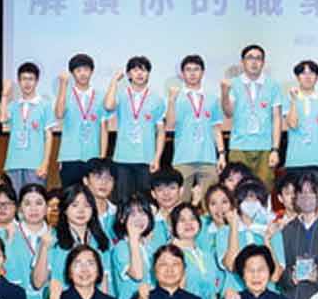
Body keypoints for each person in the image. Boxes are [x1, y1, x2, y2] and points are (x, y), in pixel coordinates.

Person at [105, 55, 166, 204]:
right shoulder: (121, 96)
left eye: (144, 70)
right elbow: (108, 105)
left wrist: (157, 158)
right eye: (135, 70)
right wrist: (114, 81)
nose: (139, 74)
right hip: (123, 159)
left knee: (146, 202)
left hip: (146, 159)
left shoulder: (157, 100)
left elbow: (161, 132)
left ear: (148, 74)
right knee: (122, 201)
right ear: (129, 74)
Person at [222, 44, 282, 185]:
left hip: (265, 147)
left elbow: (277, 118)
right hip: (239, 146)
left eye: (258, 58)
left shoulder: (273, 85)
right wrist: (224, 93)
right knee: (237, 187)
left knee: (264, 186)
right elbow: (228, 113)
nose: (254, 62)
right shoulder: (234, 84)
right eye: (250, 58)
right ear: (242, 62)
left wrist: (275, 149)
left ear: (263, 63)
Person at [167, 53, 225, 197]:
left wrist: (222, 154)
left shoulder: (212, 99)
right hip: (183, 158)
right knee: (181, 202)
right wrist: (172, 101)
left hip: (208, 158)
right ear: (182, 74)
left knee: (210, 201)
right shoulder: (176, 97)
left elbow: (216, 128)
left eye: (196, 69)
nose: (192, 73)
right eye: (188, 70)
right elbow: (170, 125)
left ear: (203, 72)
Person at [55, 53, 109, 189]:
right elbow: (59, 114)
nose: (83, 74)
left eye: (86, 69)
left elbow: (104, 128)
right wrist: (63, 85)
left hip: (93, 156)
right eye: (78, 70)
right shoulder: (65, 94)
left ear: (92, 71)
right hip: (69, 155)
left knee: (92, 196)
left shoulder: (101, 96)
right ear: (72, 73)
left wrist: (102, 158)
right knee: (70, 195)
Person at [0, 62, 53, 192]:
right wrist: (5, 95)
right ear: (19, 81)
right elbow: (2, 119)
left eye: (31, 79)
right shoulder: (13, 105)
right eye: (24, 79)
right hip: (13, 163)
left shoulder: (45, 105)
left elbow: (48, 136)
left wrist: (45, 163)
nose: (27, 83)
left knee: (34, 197)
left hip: (35, 164)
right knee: (14, 199)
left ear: (37, 81)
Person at [282, 59, 318, 179]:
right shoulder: (289, 99)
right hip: (295, 161)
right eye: (303, 73)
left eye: (311, 73)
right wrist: (294, 100)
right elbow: (292, 124)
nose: (307, 77)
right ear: (297, 77)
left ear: (317, 77)